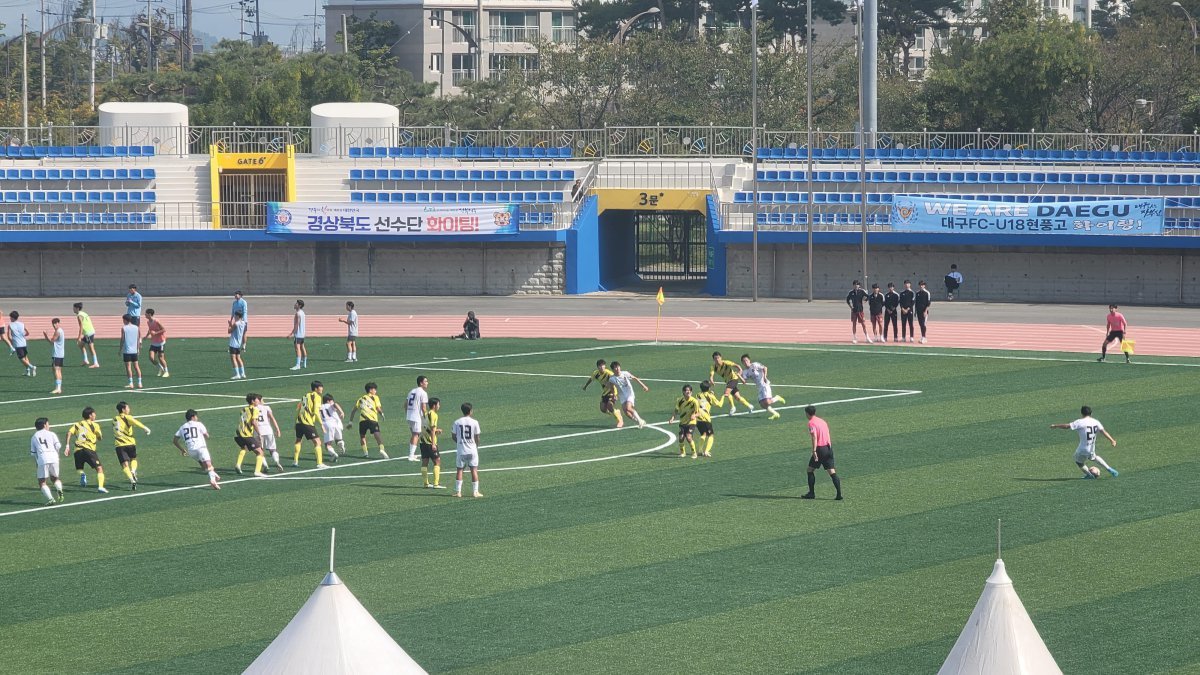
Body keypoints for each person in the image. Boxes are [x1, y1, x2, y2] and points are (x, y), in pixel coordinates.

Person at [1051, 406, 1119, 479]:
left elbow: (1067, 426)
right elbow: (1103, 431)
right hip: (1091, 447)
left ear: (1081, 413)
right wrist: (1112, 440)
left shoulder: (1079, 422)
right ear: (1091, 413)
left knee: (1079, 462)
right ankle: (1109, 469)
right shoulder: (1096, 421)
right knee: (1094, 457)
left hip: (1082, 449)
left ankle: (1089, 475)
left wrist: (1056, 425)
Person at [172, 409, 221, 490]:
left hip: (191, 451)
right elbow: (207, 436)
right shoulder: (199, 424)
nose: (197, 417)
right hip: (201, 448)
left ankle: (214, 475)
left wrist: (182, 449)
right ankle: (213, 481)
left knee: (204, 466)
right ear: (193, 417)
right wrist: (204, 436)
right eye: (196, 416)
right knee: (209, 465)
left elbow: (174, 441)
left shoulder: (182, 427)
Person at [802, 405, 842, 500]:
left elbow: (814, 437)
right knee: (832, 471)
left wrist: (814, 450)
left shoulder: (811, 423)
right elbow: (827, 433)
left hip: (820, 449)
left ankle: (811, 493)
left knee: (810, 470)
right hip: (828, 448)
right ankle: (839, 494)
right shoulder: (822, 421)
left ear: (807, 413)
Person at [65, 407, 107, 493]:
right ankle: (100, 487)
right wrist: (98, 436)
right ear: (90, 415)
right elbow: (100, 438)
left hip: (77, 450)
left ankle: (82, 474)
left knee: (79, 468)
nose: (95, 415)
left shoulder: (77, 424)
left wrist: (67, 446)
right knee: (99, 468)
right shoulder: (95, 425)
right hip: (89, 450)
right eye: (94, 414)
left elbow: (69, 433)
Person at [113, 401, 150, 490]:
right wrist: (145, 428)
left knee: (124, 464)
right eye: (128, 408)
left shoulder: (114, 419)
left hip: (119, 445)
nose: (129, 409)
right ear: (123, 409)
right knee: (133, 459)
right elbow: (136, 422)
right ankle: (133, 471)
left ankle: (131, 480)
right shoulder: (128, 417)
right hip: (130, 443)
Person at [740, 354, 787, 420]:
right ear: (742, 363)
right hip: (759, 387)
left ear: (749, 360)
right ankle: (776, 414)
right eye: (744, 361)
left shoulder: (755, 365)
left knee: (767, 402)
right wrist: (739, 375)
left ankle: (777, 397)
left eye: (746, 360)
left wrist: (765, 376)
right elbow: (744, 382)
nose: (745, 362)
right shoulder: (745, 372)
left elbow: (765, 368)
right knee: (762, 404)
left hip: (764, 384)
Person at [31, 417, 65, 505]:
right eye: (48, 424)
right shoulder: (52, 434)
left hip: (43, 458)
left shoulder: (34, 436)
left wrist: (37, 463)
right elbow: (58, 446)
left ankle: (51, 499)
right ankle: (59, 490)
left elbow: (33, 453)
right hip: (54, 457)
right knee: (55, 478)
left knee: (42, 482)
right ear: (44, 425)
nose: (48, 425)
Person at [452, 402, 483, 498]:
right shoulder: (475, 422)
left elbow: (453, 436)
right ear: (470, 411)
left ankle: (458, 492)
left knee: (459, 470)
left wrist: (460, 442)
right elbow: (477, 437)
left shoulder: (457, 422)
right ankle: (475, 492)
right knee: (474, 470)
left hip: (461, 450)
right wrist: (476, 445)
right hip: (472, 450)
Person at [349, 382, 387, 458]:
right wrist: (382, 414)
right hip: (372, 419)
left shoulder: (361, 399)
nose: (375, 391)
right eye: (374, 389)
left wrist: (350, 422)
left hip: (362, 420)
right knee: (377, 434)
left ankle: (365, 452)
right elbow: (378, 408)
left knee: (362, 436)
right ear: (370, 390)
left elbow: (353, 410)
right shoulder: (375, 397)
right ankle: (381, 449)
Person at [293, 380, 326, 468]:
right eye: (321, 387)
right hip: (307, 423)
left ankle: (295, 461)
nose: (322, 388)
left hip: (299, 422)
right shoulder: (317, 397)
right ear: (316, 388)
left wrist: (295, 422)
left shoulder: (305, 396)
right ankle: (319, 463)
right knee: (317, 442)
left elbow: (299, 409)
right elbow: (316, 411)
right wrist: (322, 424)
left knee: (298, 440)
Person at [583, 358, 623, 428]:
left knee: (609, 405)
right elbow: (591, 379)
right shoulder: (596, 373)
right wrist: (585, 386)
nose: (602, 367)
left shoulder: (609, 373)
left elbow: (616, 382)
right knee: (603, 409)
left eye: (603, 365)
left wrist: (615, 394)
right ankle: (616, 412)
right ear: (598, 367)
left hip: (612, 391)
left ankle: (620, 420)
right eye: (600, 366)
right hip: (605, 392)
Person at [234, 394, 268, 477]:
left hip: (238, 433)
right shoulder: (255, 409)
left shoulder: (243, 409)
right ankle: (257, 472)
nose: (258, 401)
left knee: (243, 448)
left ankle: (238, 465)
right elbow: (254, 422)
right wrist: (259, 433)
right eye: (257, 399)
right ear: (252, 401)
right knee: (260, 452)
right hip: (247, 435)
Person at [609, 361, 650, 428]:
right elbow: (611, 387)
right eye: (615, 368)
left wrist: (643, 386)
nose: (617, 369)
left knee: (628, 408)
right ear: (613, 370)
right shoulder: (612, 379)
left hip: (629, 393)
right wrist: (614, 395)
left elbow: (635, 378)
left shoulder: (625, 373)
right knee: (626, 412)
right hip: (622, 396)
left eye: (618, 367)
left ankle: (640, 420)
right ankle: (639, 421)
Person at [252, 394, 285, 471]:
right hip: (268, 430)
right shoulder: (267, 407)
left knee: (260, 450)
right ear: (260, 400)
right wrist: (277, 429)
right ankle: (277, 461)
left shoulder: (252, 409)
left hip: (258, 431)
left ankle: (265, 465)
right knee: (273, 449)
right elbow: (272, 418)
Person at [667, 384, 700, 458]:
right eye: (686, 390)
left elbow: (699, 413)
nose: (688, 392)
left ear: (691, 392)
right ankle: (683, 453)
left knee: (688, 437)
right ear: (683, 392)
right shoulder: (680, 400)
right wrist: (672, 418)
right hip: (682, 422)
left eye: (689, 390)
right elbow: (676, 410)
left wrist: (694, 415)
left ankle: (694, 453)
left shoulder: (694, 401)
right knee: (681, 438)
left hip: (691, 422)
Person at [420, 397, 445, 488]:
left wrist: (435, 430)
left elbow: (426, 428)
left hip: (422, 441)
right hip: (430, 442)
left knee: (425, 462)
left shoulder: (425, 414)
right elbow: (433, 429)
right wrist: (434, 444)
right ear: (434, 405)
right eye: (438, 404)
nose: (439, 406)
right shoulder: (434, 415)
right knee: (437, 461)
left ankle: (426, 483)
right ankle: (436, 483)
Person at [694, 381, 724, 457]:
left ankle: (700, 451)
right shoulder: (710, 396)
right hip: (706, 418)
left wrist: (711, 394)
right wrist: (723, 396)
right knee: (711, 435)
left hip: (698, 418)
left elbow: (704, 399)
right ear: (709, 388)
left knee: (703, 434)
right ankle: (706, 451)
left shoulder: (697, 395)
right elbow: (719, 405)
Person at [406, 376, 430, 461]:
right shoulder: (423, 393)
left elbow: (405, 404)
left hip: (409, 416)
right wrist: (427, 418)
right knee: (416, 435)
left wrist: (408, 413)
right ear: (421, 383)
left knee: (414, 434)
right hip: (416, 417)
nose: (427, 383)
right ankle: (411, 455)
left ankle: (411, 453)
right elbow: (423, 407)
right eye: (425, 381)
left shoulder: (411, 391)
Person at [319, 393, 346, 461]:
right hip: (336, 424)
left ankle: (334, 454)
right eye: (332, 400)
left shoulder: (320, 407)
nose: (333, 402)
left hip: (327, 424)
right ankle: (341, 443)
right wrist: (341, 412)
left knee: (327, 445)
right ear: (328, 401)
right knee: (338, 440)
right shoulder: (330, 405)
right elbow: (335, 404)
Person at [119, 314, 143, 389]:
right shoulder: (136, 327)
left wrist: (120, 349)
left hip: (127, 351)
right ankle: (140, 383)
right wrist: (138, 349)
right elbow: (138, 339)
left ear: (125, 320)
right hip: (134, 351)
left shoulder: (124, 328)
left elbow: (122, 339)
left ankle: (131, 383)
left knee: (128, 367)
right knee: (136, 367)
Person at [145, 308, 169, 377]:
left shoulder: (156, 321)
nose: (145, 315)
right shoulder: (148, 322)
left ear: (149, 314)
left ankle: (166, 372)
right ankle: (160, 368)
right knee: (151, 358)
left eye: (146, 314)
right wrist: (146, 336)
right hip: (153, 342)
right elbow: (150, 330)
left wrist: (155, 333)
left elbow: (164, 329)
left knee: (161, 358)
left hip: (161, 342)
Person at [73, 302, 99, 367]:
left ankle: (96, 363)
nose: (73, 309)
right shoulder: (83, 313)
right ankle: (86, 360)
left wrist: (79, 337)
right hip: (88, 332)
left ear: (77, 308)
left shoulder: (79, 316)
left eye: (74, 308)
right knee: (80, 345)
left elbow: (81, 327)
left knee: (91, 348)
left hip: (88, 333)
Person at [43, 318, 65, 394]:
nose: (54, 325)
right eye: (53, 323)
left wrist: (45, 336)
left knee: (56, 370)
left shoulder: (58, 331)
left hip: (57, 354)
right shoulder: (61, 330)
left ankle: (58, 388)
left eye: (56, 323)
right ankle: (59, 388)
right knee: (58, 370)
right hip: (60, 354)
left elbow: (52, 341)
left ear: (59, 323)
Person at [9, 311, 34, 376]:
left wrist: (12, 343)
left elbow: (8, 336)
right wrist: (22, 336)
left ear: (13, 318)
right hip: (24, 343)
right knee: (25, 356)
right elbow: (28, 333)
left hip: (18, 344)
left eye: (10, 317)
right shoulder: (22, 324)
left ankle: (32, 367)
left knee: (21, 358)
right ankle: (28, 371)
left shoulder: (10, 325)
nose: (10, 318)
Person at [287, 299, 308, 370]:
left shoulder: (298, 314)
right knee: (302, 347)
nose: (295, 304)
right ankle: (304, 363)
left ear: (299, 305)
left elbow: (296, 325)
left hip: (298, 334)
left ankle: (298, 365)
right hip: (302, 334)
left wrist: (291, 333)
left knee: (297, 348)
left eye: (296, 304)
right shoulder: (302, 313)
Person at [228, 310, 248, 379]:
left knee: (233, 358)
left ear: (237, 316)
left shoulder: (236, 323)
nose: (234, 316)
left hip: (233, 343)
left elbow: (229, 331)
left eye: (235, 315)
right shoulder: (243, 323)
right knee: (238, 358)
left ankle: (237, 374)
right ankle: (243, 373)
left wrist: (229, 324)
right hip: (239, 344)